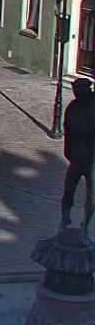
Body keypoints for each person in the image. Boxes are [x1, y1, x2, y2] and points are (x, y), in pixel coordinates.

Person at [60, 78, 95, 231]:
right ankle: (65, 218)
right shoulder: (72, 108)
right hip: (76, 158)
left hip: (92, 160)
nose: (76, 95)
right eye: (75, 92)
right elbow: (67, 131)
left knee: (92, 196)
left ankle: (86, 224)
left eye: (79, 91)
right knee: (68, 191)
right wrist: (69, 154)